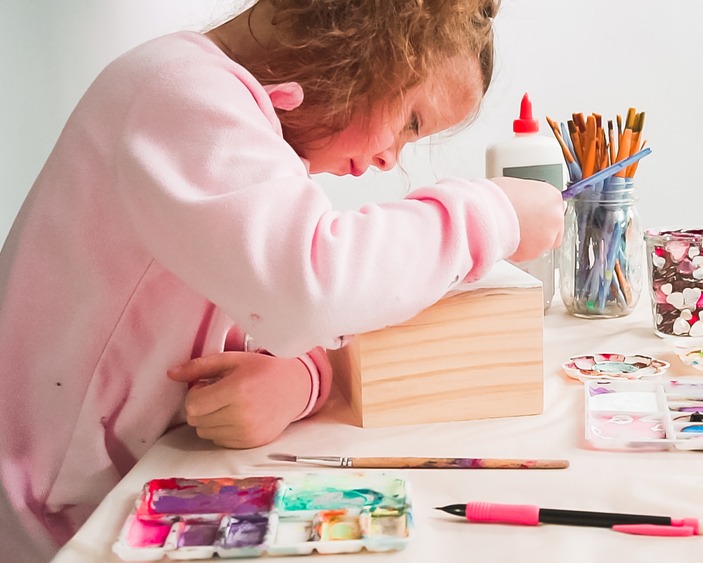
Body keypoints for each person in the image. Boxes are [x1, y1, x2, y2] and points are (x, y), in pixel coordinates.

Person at [0, 0, 564, 560]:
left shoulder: (231, 113)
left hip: (110, 497)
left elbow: (274, 304)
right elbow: (313, 286)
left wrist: (299, 379)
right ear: (370, 42)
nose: (392, 159)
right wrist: (492, 214)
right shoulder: (177, 92)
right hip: (47, 523)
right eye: (411, 122)